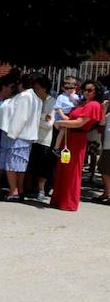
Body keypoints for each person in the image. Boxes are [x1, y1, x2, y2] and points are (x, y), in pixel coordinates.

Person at [51, 80, 105, 211]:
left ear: (96, 92)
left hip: (77, 138)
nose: (86, 92)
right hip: (69, 137)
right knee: (63, 168)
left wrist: (60, 123)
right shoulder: (82, 103)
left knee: (72, 170)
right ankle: (59, 199)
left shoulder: (93, 105)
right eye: (85, 89)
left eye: (90, 90)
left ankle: (68, 202)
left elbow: (80, 123)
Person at [0, 74, 43, 201]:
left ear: (20, 84)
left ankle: (14, 191)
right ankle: (20, 189)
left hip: (17, 135)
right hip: (27, 136)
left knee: (11, 165)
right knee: (20, 165)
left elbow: (20, 117)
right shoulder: (36, 98)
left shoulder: (24, 97)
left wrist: (12, 133)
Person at [25, 75, 57, 203]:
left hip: (45, 140)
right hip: (33, 138)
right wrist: (41, 118)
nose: (35, 90)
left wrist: (35, 119)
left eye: (37, 88)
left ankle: (41, 191)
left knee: (43, 167)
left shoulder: (52, 102)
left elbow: (49, 124)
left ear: (44, 89)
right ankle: (28, 189)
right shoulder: (35, 100)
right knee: (32, 165)